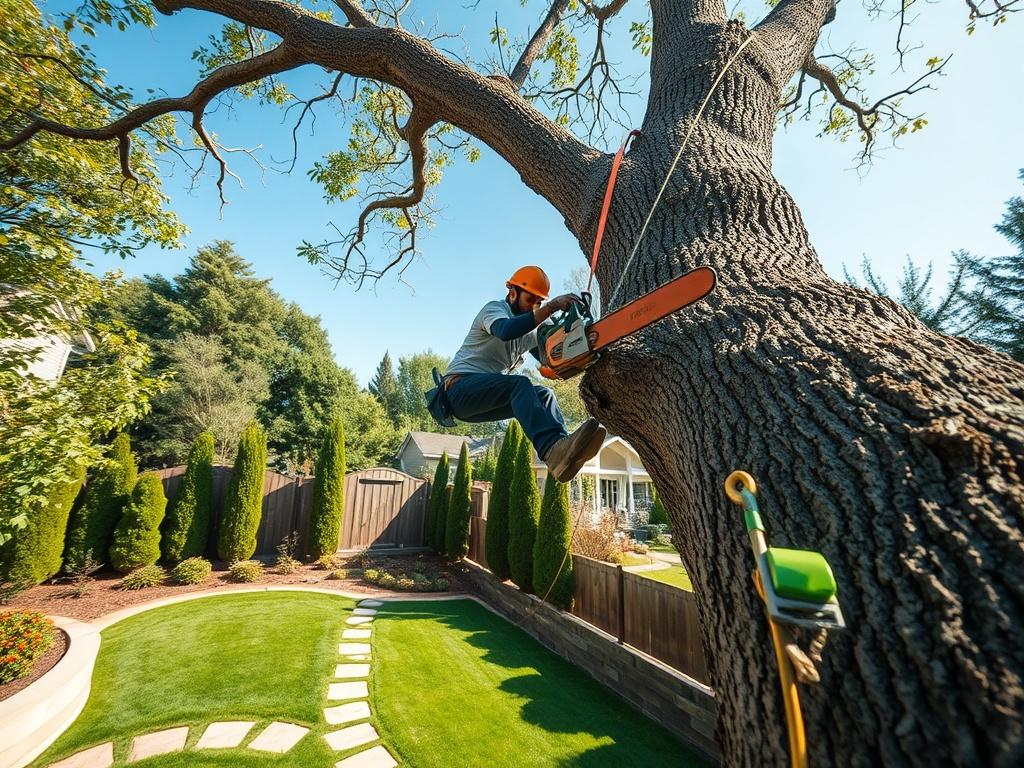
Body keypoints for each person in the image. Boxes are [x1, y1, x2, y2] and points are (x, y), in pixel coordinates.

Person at [431, 266, 606, 482]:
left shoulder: (530, 329)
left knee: (543, 394)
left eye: (538, 302)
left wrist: (578, 347)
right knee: (519, 385)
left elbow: (549, 358)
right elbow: (506, 331)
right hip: (458, 391)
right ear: (513, 293)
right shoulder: (494, 311)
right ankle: (552, 448)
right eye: (530, 299)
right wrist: (551, 307)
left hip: (476, 405)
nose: (534, 306)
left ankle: (560, 451)